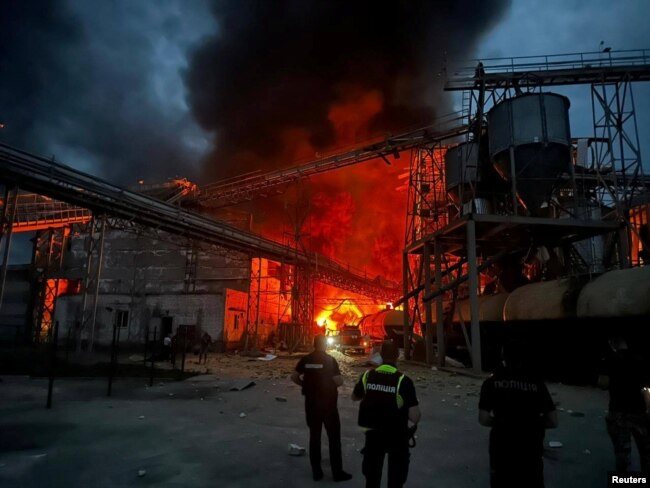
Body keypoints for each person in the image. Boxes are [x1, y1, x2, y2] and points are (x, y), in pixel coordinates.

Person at [478, 340, 558, 488]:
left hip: (501, 450)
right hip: (530, 449)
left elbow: (483, 418)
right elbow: (553, 421)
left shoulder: (490, 383)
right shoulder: (537, 383)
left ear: (503, 358)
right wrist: (530, 423)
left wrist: (503, 422)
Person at [352, 340, 420, 488]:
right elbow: (415, 417)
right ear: (397, 356)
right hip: (397, 437)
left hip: (373, 436)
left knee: (372, 478)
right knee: (396, 480)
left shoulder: (367, 376)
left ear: (381, 355)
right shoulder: (404, 381)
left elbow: (354, 397)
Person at [291, 335, 352, 482]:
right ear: (324, 345)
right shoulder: (330, 360)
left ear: (313, 344)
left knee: (315, 437)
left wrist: (305, 385)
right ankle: (337, 473)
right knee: (334, 439)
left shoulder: (305, 360)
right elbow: (338, 381)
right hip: (328, 405)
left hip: (311, 405)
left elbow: (294, 376)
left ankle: (317, 473)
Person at [598, 335, 650, 473]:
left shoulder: (609, 359)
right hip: (639, 411)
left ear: (612, 343)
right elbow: (646, 388)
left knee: (622, 455)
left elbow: (603, 384)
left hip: (618, 412)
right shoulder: (640, 359)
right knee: (646, 451)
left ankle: (623, 482)